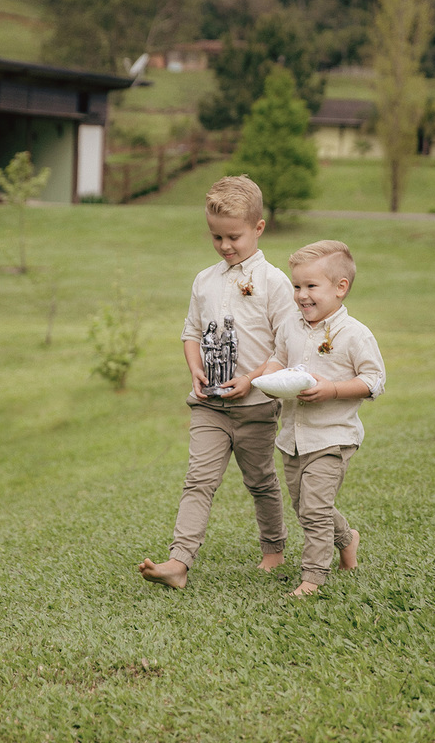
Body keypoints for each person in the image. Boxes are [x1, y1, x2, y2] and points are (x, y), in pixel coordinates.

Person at [139, 176, 297, 589]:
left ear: (258, 229)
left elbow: (286, 346)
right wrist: (194, 367)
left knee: (260, 480)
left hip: (256, 405)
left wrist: (251, 380)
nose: (225, 246)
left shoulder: (274, 282)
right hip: (208, 404)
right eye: (216, 238)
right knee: (198, 481)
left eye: (234, 237)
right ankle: (179, 562)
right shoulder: (204, 281)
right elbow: (191, 332)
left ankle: (274, 549)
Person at [262, 240, 386, 596]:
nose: (301, 295)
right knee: (306, 506)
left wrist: (332, 389)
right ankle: (347, 540)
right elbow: (278, 358)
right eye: (296, 286)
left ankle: (312, 578)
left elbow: (374, 380)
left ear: (340, 288)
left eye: (311, 286)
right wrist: (268, 380)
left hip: (333, 437)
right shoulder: (290, 326)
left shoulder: (354, 334)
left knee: (314, 510)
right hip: (293, 439)